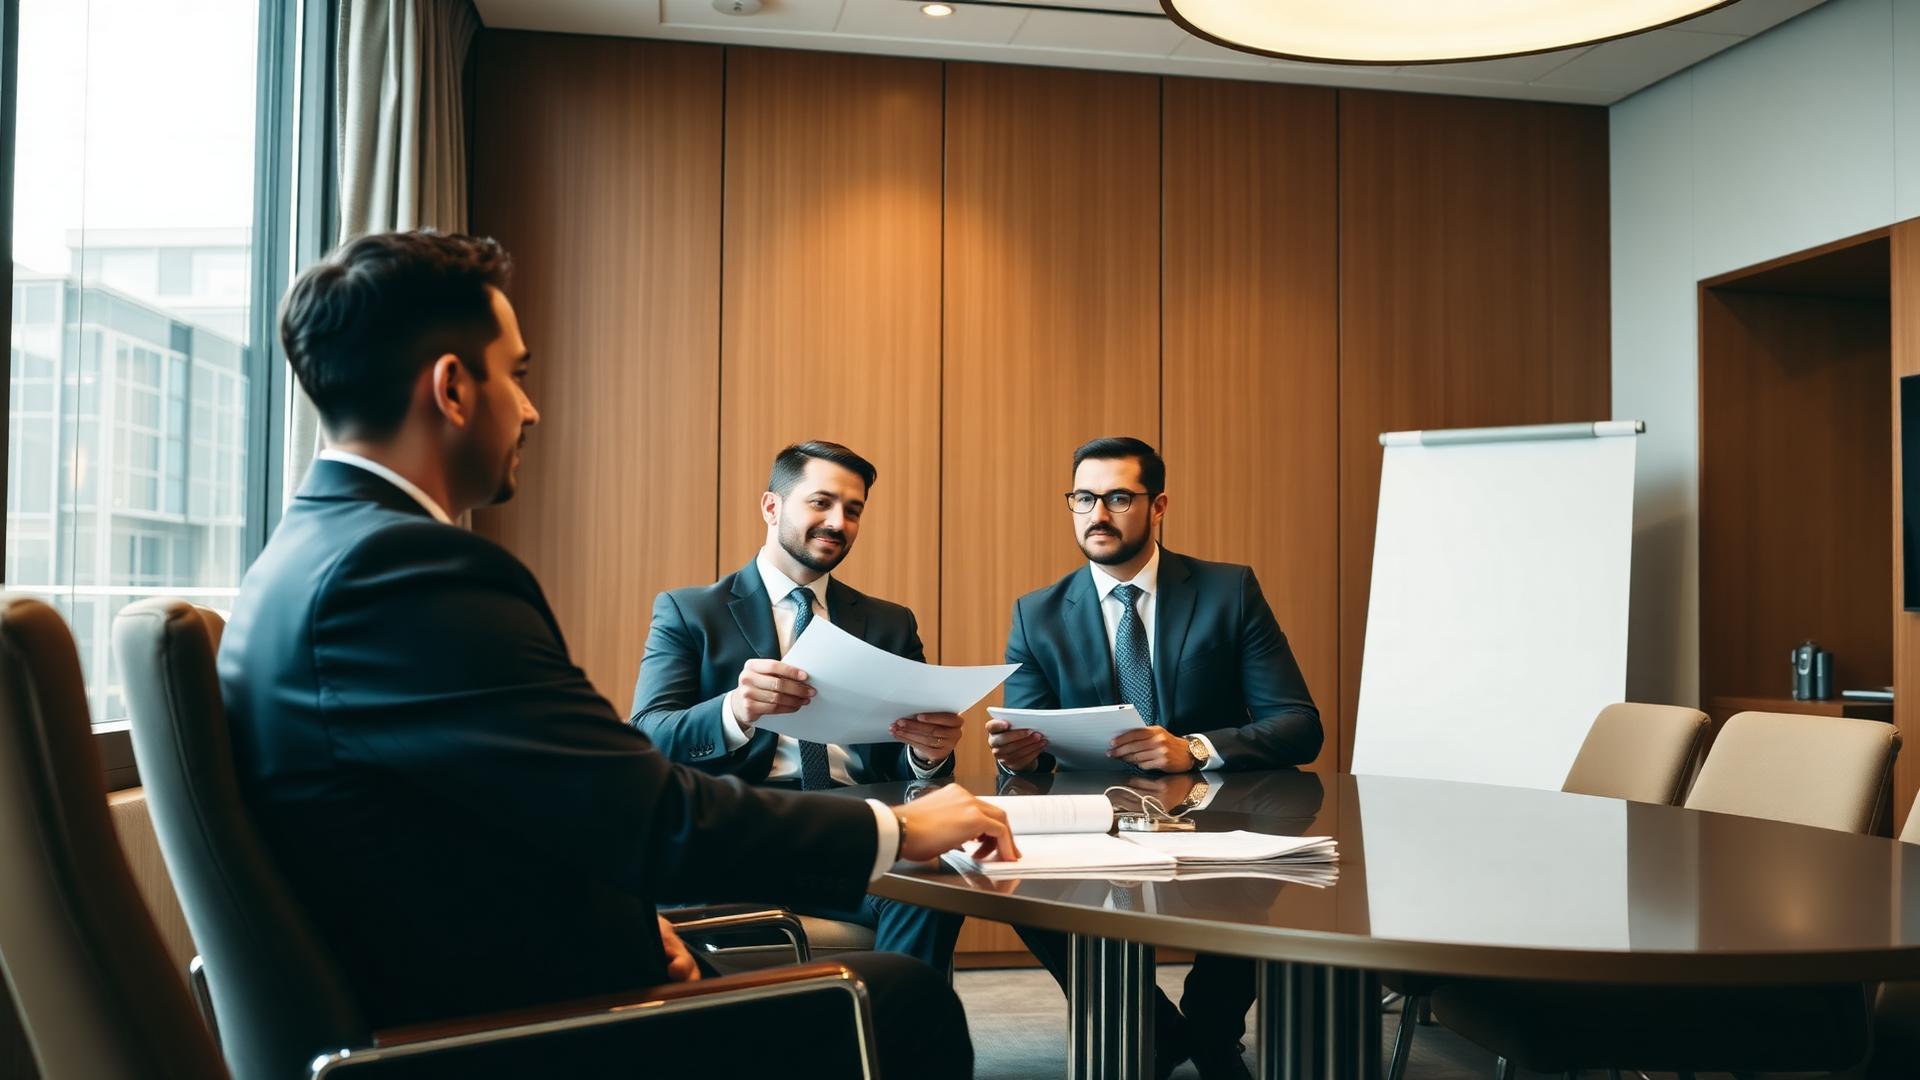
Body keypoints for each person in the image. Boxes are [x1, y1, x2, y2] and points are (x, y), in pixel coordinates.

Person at [218, 230, 1015, 1078]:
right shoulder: (410, 571)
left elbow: (518, 809)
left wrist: (632, 919)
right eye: (517, 376)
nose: (529, 409)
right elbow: (650, 810)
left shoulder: (302, 558)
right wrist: (894, 827)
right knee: (904, 999)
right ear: (453, 388)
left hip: (453, 986)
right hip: (507, 1026)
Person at [986, 435, 1322, 1080]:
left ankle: (1213, 1030)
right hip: (1095, 817)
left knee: (1270, 861)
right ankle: (1165, 1032)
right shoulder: (1038, 613)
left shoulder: (1229, 591)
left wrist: (1192, 748)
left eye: (1117, 497)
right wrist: (1020, 757)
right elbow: (1024, 758)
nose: (1097, 514)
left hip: (1216, 811)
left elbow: (1299, 726)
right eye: (1083, 498)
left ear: (1157, 505)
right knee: (1006, 875)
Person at [631, 440, 966, 967]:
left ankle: (889, 1033)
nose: (838, 521)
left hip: (851, 830)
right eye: (821, 502)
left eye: (852, 510)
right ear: (772, 506)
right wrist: (735, 711)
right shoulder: (691, 611)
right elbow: (649, 734)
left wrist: (929, 753)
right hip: (744, 828)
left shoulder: (889, 622)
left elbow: (902, 760)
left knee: (935, 876)